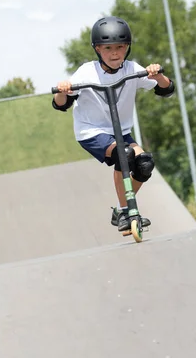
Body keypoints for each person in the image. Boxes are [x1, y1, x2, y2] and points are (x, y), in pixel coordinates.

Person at [52, 15, 175, 232]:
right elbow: (61, 104)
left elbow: (166, 89)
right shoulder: (87, 72)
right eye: (108, 48)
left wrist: (158, 75)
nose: (115, 53)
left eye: (120, 47)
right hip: (91, 132)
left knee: (145, 164)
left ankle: (122, 211)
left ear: (127, 47)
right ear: (98, 49)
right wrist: (62, 91)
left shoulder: (131, 69)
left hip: (121, 131)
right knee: (124, 154)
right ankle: (128, 213)